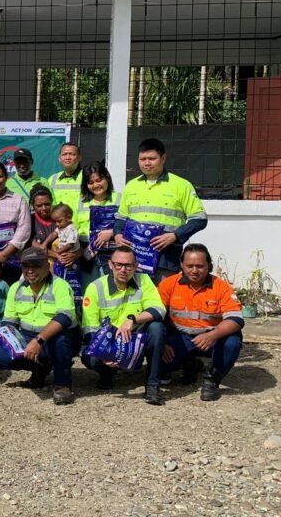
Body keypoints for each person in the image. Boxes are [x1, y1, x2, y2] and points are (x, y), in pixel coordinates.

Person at [0, 247, 79, 405]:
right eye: (26, 266)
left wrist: (39, 340)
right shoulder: (15, 288)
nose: (30, 270)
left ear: (47, 265)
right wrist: (8, 342)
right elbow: (9, 322)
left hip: (58, 336)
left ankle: (62, 384)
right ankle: (40, 369)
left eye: (36, 265)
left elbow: (64, 318)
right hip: (29, 335)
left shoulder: (60, 285)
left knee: (60, 339)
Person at [80, 246, 168, 405]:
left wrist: (132, 319)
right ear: (110, 265)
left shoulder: (144, 280)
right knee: (90, 358)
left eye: (128, 266)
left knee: (157, 328)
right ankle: (107, 374)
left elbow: (158, 309)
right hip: (109, 343)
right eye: (118, 265)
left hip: (135, 341)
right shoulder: (95, 288)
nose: (123, 270)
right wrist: (105, 354)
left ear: (135, 266)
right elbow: (90, 330)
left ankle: (153, 385)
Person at [157, 244, 244, 401]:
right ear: (182, 265)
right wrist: (161, 343)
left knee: (232, 342)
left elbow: (236, 319)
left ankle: (213, 379)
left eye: (200, 266)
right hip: (180, 337)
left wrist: (213, 335)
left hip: (211, 339)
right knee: (159, 366)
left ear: (209, 266)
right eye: (190, 266)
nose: (194, 270)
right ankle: (190, 364)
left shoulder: (221, 287)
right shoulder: (169, 284)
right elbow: (157, 316)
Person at [114, 138, 207, 282]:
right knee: (132, 301)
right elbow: (121, 218)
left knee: (162, 300)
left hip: (165, 258)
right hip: (134, 259)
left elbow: (199, 219)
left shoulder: (181, 185)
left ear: (163, 158)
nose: (147, 163)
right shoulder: (131, 186)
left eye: (152, 158)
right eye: (142, 159)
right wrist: (118, 234)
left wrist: (175, 236)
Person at [76, 161, 121, 280]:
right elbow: (74, 226)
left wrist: (112, 232)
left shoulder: (120, 199)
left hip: (113, 253)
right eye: (90, 182)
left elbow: (129, 225)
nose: (95, 185)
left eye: (98, 180)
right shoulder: (81, 203)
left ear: (107, 178)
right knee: (90, 292)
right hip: (87, 254)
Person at [48, 143, 83, 212]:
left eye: (72, 154)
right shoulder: (52, 179)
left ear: (79, 158)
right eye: (64, 154)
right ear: (59, 158)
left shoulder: (88, 177)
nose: (68, 158)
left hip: (82, 222)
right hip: (58, 222)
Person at [29, 186, 57, 251]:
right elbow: (37, 247)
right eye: (39, 205)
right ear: (32, 205)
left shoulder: (60, 217)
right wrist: (57, 255)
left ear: (52, 202)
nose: (44, 208)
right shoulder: (29, 221)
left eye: (47, 204)